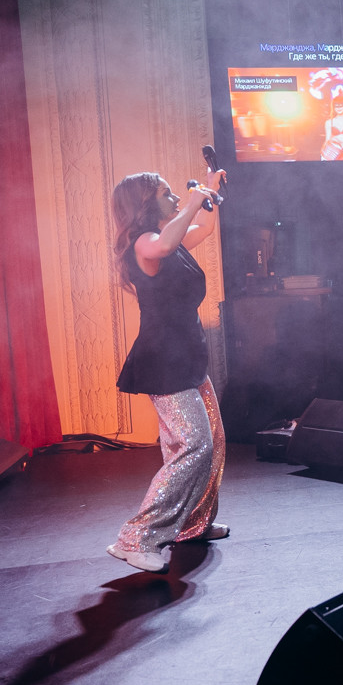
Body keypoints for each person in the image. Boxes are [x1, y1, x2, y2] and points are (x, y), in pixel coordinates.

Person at [106, 169, 227, 574]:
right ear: (145, 204)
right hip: (163, 359)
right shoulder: (145, 243)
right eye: (166, 193)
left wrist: (210, 192)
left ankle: (191, 525)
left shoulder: (170, 240)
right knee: (195, 445)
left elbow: (203, 228)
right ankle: (136, 538)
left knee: (212, 442)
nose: (175, 197)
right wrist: (193, 200)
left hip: (187, 353)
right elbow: (164, 243)